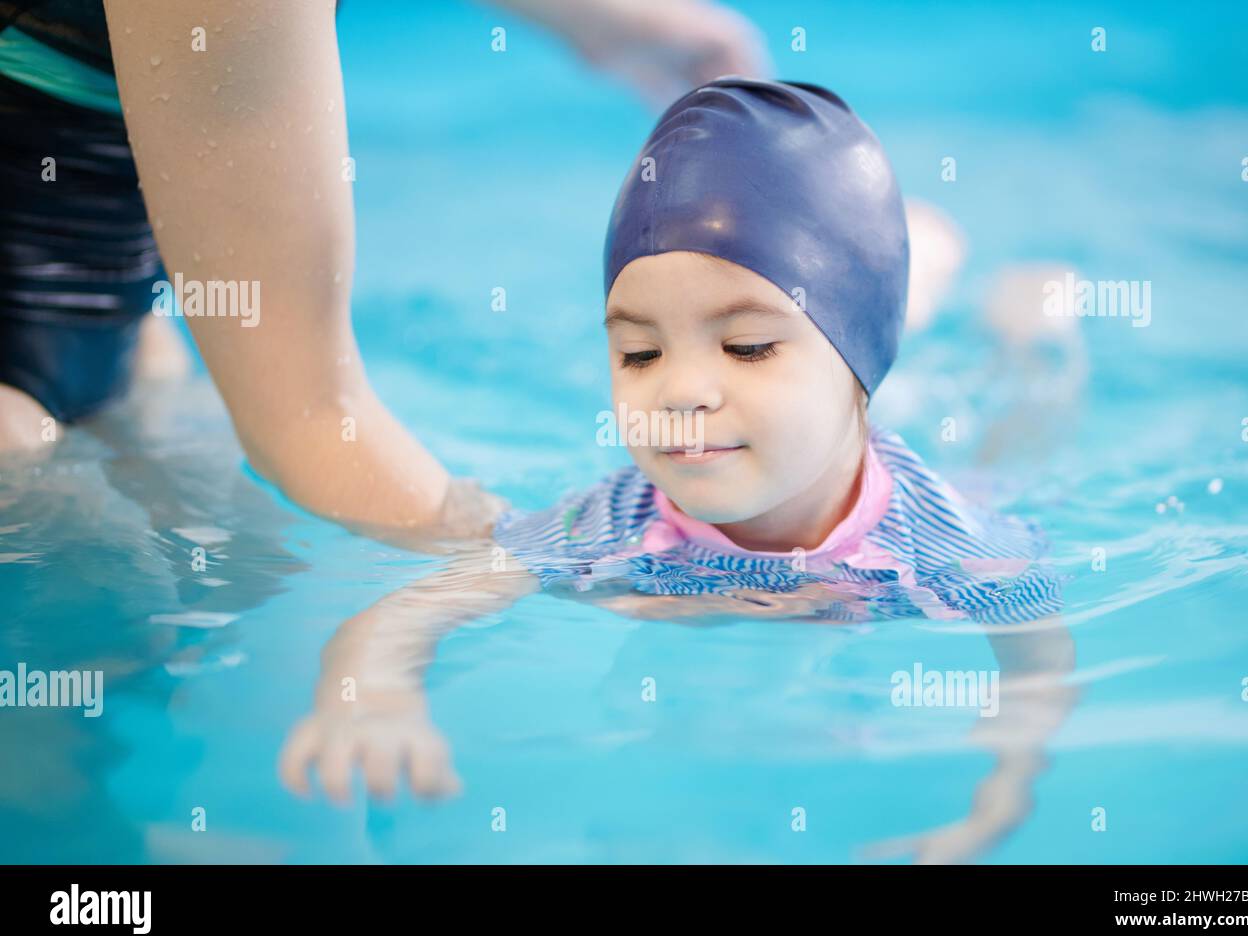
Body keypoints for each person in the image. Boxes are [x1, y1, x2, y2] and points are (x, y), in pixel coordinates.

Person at [280, 79, 1079, 863]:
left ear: (863, 364)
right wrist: (375, 694)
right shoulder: (614, 521)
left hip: (946, 466)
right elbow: (420, 604)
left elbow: (1035, 652)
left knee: (1012, 436)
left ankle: (1024, 323)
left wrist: (1001, 791)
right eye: (639, 353)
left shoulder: (943, 538)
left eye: (746, 347)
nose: (681, 391)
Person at [0, 0, 770, 548]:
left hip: (107, 313)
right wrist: (584, 558)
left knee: (207, 524)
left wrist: (603, 17)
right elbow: (310, 422)